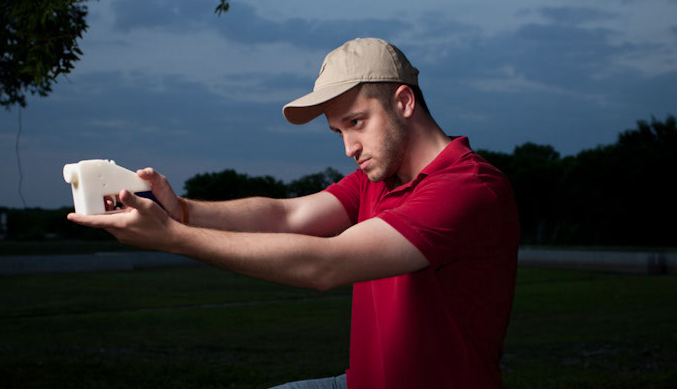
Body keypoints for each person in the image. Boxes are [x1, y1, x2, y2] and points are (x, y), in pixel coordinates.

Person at [68, 37, 520, 389]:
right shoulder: (378, 178)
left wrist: (171, 237)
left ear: (404, 102)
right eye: (338, 131)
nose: (349, 148)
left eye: (357, 122)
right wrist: (181, 210)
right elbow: (287, 216)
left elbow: (325, 264)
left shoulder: (467, 188)